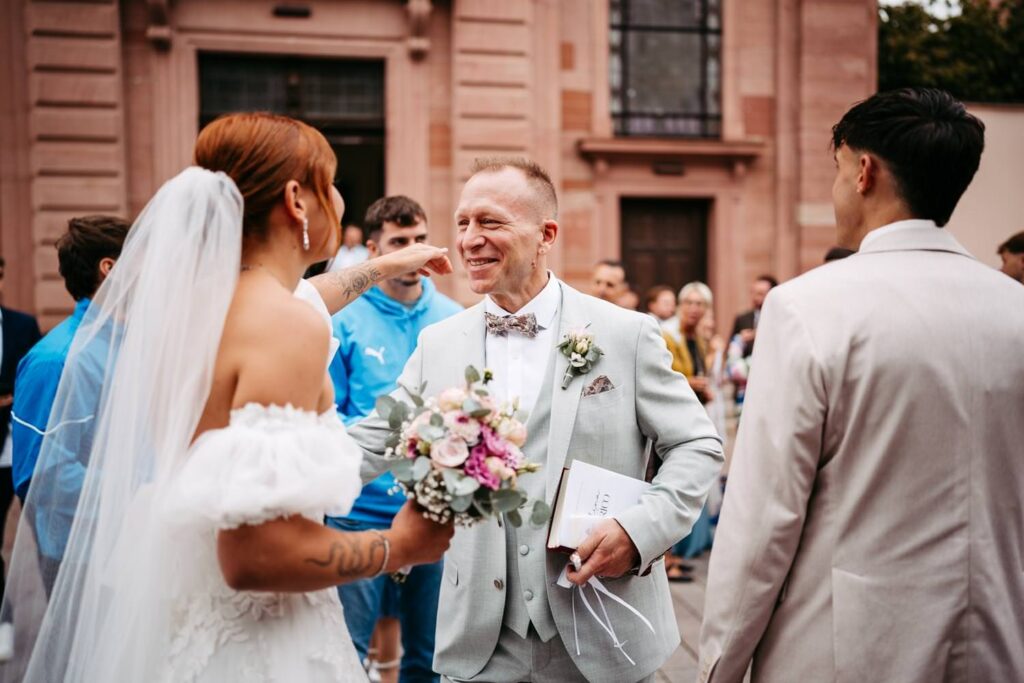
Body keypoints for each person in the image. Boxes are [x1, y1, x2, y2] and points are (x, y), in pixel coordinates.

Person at [1, 112, 455, 682]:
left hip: (185, 619)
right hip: (263, 642)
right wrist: (399, 546)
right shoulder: (284, 325)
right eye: (331, 183)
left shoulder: (190, 314)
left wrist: (386, 263)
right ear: (296, 199)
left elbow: (310, 296)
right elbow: (256, 556)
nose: (338, 200)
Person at [349, 157, 723, 683]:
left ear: (546, 234)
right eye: (462, 223)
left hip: (603, 631)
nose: (469, 239)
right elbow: (377, 439)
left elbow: (697, 446)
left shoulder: (625, 334)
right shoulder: (439, 344)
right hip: (479, 642)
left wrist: (637, 532)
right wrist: (272, 481)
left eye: (490, 222)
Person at [699, 88, 1024, 682]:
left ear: (864, 172)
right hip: (999, 641)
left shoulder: (805, 307)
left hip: (843, 649)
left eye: (837, 169)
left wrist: (718, 666)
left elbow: (764, 517)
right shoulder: (1016, 308)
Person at [327, 195, 462, 683]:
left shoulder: (453, 317)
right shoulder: (342, 321)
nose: (413, 251)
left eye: (420, 239)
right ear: (374, 251)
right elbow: (328, 420)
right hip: (357, 514)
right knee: (349, 649)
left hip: (431, 513)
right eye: (400, 242)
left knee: (427, 656)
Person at [0, 256, 42, 661]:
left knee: (35, 537)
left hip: (18, 450)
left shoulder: (21, 325)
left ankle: (14, 619)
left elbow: (28, 386)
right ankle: (3, 621)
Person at [663, 282, 714, 404]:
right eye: (689, 303)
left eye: (699, 304)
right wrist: (689, 382)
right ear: (680, 306)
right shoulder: (667, 334)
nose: (693, 309)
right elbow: (662, 376)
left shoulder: (699, 338)